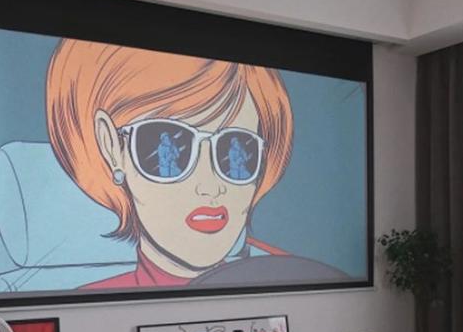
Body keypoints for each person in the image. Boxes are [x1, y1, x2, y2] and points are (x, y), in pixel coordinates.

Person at [46, 40, 293, 289]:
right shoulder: (90, 303)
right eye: (171, 152)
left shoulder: (289, 277)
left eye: (236, 151)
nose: (210, 187)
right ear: (111, 146)